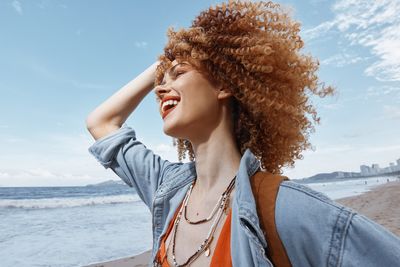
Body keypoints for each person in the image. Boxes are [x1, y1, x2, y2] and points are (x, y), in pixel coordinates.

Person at [86, 1, 400, 266]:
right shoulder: (167, 189)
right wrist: (166, 61)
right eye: (160, 81)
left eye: (179, 73)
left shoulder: (285, 209)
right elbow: (101, 123)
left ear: (224, 85)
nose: (160, 88)